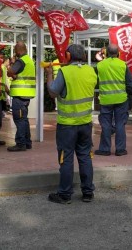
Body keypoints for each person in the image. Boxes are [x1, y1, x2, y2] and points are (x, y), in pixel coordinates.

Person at [46, 44, 97, 204]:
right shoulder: (90, 71)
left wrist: (49, 74)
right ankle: (88, 192)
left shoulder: (65, 72)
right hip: (86, 123)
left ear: (68, 56)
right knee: (85, 157)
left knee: (66, 158)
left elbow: (53, 92)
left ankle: (65, 194)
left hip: (67, 125)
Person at [95, 44, 132, 157]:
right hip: (121, 99)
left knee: (106, 124)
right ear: (118, 53)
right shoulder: (123, 65)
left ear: (106, 53)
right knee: (120, 124)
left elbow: (94, 81)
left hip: (105, 100)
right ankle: (120, 150)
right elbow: (129, 84)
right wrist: (130, 96)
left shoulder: (100, 65)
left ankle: (105, 149)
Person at [6, 41, 36, 152]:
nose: (14, 52)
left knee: (19, 120)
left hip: (20, 95)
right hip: (26, 95)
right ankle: (27, 142)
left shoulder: (21, 61)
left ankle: (20, 143)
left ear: (18, 50)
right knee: (24, 119)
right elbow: (19, 75)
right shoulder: (29, 60)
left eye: (15, 50)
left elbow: (10, 72)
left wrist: (12, 63)